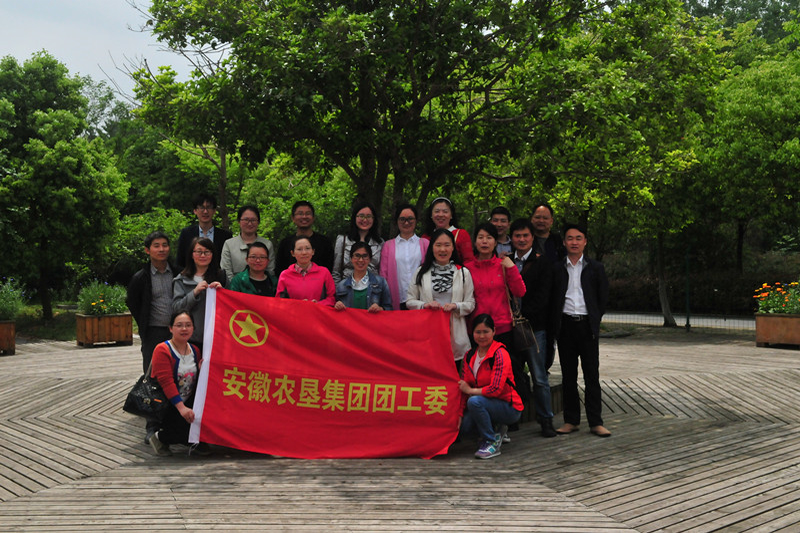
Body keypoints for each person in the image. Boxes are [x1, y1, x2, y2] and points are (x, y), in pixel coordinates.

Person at [465, 222, 527, 431]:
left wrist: (511, 267)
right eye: (480, 237)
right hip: (477, 332)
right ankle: (485, 423)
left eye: (489, 238)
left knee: (506, 378)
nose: (484, 241)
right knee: (480, 377)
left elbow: (520, 291)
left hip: (502, 329)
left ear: (495, 242)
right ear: (475, 241)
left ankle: (507, 423)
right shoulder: (467, 268)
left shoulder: (502, 264)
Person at [551, 224, 610, 437]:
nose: (574, 242)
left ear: (585, 241)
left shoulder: (596, 268)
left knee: (591, 375)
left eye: (578, 238)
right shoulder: (557, 268)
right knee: (569, 376)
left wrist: (594, 318)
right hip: (565, 326)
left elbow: (603, 298)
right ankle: (571, 420)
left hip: (587, 327)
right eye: (570, 238)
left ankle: (596, 422)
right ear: (564, 242)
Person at [126, 231, 175, 444]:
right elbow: (133, 303)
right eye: (156, 245)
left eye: (165, 245)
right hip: (154, 332)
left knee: (178, 376)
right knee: (152, 378)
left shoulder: (178, 272)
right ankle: (152, 426)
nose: (161, 249)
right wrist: (145, 324)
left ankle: (173, 424)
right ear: (148, 250)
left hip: (177, 332)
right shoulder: (141, 277)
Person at [510, 218, 556, 438]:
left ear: (532, 237)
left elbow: (544, 297)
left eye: (525, 235)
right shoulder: (505, 261)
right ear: (511, 238)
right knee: (512, 373)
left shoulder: (542, 262)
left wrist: (521, 315)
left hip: (534, 328)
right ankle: (511, 419)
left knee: (539, 376)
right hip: (509, 328)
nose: (521, 239)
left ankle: (546, 419)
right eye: (517, 236)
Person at [458, 314, 524, 459]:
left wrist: (471, 391)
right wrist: (460, 415)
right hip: (485, 403)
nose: (482, 336)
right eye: (478, 332)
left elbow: (496, 389)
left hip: (509, 407)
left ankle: (490, 441)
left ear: (494, 331)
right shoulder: (469, 355)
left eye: (486, 331)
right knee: (463, 427)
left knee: (474, 402)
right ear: (472, 333)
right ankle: (496, 430)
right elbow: (463, 387)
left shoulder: (500, 353)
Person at [406, 228, 475, 366]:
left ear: (453, 248)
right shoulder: (421, 272)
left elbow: (471, 303)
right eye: (438, 245)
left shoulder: (463, 273)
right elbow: (410, 301)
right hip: (429, 332)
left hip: (455, 332)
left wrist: (456, 306)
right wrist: (425, 305)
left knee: (454, 371)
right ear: (432, 248)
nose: (442, 249)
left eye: (447, 245)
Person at [147, 310, 210, 457]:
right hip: (167, 404)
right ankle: (159, 437)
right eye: (179, 325)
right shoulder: (162, 349)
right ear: (170, 328)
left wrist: (201, 370)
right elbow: (166, 382)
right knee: (183, 432)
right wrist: (181, 408)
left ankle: (190, 437)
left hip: (187, 400)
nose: (184, 329)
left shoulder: (195, 350)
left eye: (188, 325)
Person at [172, 237, 226, 351]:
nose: (203, 255)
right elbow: (176, 308)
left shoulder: (222, 277)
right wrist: (194, 292)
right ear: (192, 255)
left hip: (217, 338)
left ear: (212, 255)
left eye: (207, 252)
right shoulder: (181, 280)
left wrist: (223, 294)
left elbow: (231, 307)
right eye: (199, 252)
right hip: (190, 340)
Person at [379, 203, 429, 310]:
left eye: (410, 219)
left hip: (421, 300)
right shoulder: (388, 246)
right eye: (402, 219)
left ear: (416, 220)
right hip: (398, 300)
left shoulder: (425, 244)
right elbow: (383, 275)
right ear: (397, 221)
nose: (406, 222)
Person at [175, 193, 232, 272]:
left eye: (209, 207)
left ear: (214, 211)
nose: (205, 211)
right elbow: (180, 262)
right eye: (201, 208)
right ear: (195, 211)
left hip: (217, 277)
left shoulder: (225, 236)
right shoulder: (186, 234)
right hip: (191, 277)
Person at [220, 205, 276, 283]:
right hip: (234, 287)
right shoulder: (229, 244)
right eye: (246, 220)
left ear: (258, 222)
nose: (249, 224)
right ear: (239, 221)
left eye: (253, 220)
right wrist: (236, 286)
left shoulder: (267, 244)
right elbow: (226, 271)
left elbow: (270, 271)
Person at [276, 201, 335, 273]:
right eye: (300, 214)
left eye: (308, 213)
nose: (304, 217)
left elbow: (329, 268)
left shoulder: (325, 243)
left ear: (313, 217)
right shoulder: (285, 243)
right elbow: (279, 270)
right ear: (293, 218)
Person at [276, 235, 336, 306]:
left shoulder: (324, 272)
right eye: (299, 249)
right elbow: (279, 302)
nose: (304, 252)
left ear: (313, 251)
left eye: (307, 248)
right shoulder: (285, 275)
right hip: (294, 312)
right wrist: (298, 304)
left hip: (318, 312)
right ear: (292, 253)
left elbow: (332, 298)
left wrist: (317, 304)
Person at [332, 201, 383, 283]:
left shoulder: (380, 243)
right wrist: (339, 289)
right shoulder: (342, 240)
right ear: (354, 217)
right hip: (347, 287)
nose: (365, 220)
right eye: (361, 216)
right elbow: (336, 272)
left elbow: (382, 271)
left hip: (372, 288)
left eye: (369, 216)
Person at [334, 241, 392, 312]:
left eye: (365, 256)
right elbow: (335, 312)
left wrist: (380, 309)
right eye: (357, 255)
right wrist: (337, 306)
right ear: (351, 259)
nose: (361, 260)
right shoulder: (341, 285)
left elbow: (389, 309)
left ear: (370, 259)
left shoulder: (381, 283)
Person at [422, 197, 474, 264]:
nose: (441, 215)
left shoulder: (461, 234)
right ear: (431, 215)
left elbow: (469, 261)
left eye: (445, 211)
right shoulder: (425, 237)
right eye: (437, 211)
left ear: (451, 215)